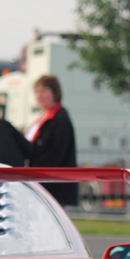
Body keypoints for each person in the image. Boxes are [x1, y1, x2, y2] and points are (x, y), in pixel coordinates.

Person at [26, 74, 78, 206]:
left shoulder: (60, 119)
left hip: (53, 185)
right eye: (37, 92)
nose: (39, 95)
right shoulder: (43, 116)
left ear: (55, 92)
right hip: (40, 181)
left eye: (43, 91)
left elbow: (56, 153)